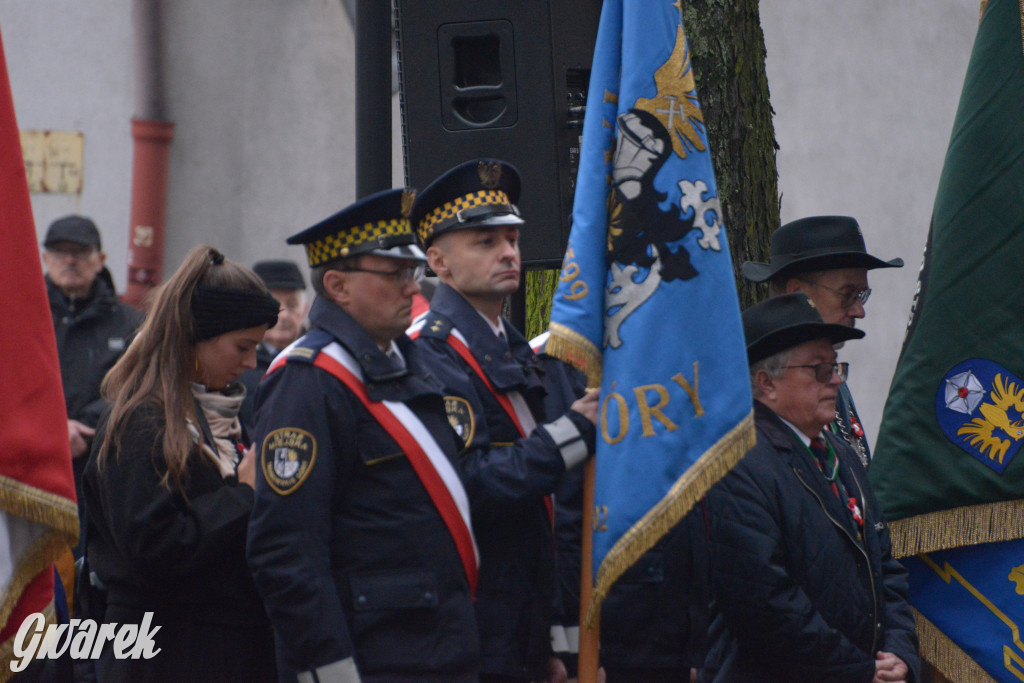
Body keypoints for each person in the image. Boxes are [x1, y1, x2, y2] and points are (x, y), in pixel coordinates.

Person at [246, 188, 482, 683]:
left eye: (412, 274)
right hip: (374, 655)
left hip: (436, 644)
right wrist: (327, 667)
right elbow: (285, 548)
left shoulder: (409, 362)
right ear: (337, 285)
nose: (410, 289)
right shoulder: (309, 381)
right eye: (394, 275)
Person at [410, 159, 598, 683]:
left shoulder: (512, 350)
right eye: (485, 242)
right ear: (439, 262)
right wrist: (570, 435)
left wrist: (554, 642)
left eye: (512, 238)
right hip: (471, 624)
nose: (509, 253)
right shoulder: (431, 355)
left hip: (521, 625)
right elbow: (465, 482)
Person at [81, 245, 280, 682]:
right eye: (242, 347)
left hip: (215, 648)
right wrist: (244, 495)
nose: (250, 364)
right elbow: (153, 550)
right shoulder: (140, 422)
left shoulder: (217, 416)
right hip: (162, 653)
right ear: (195, 335)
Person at [699, 293, 919, 683]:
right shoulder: (736, 464)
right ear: (766, 383)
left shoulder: (839, 453)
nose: (836, 380)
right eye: (818, 369)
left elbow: (886, 567)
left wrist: (899, 654)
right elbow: (765, 606)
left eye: (836, 366)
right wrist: (859, 670)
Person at [741, 216, 903, 466]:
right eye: (848, 294)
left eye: (862, 295)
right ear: (797, 295)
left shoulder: (837, 385)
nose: (860, 311)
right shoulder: (752, 396)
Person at [42, 214, 142, 555]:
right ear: (43, 259)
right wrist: (54, 428)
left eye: (81, 252)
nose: (70, 261)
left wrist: (86, 427)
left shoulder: (130, 323)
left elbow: (138, 386)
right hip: (33, 468)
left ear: (100, 260)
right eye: (60, 252)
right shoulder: (22, 317)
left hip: (99, 471)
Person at [238, 258, 310, 434]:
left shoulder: (318, 361)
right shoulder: (235, 365)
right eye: (274, 305)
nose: (283, 316)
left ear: (305, 310)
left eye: (292, 305)